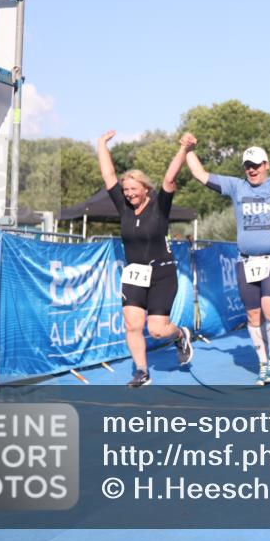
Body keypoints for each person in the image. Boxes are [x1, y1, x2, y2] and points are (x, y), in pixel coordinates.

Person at [181, 133, 270, 385]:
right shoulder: (237, 187)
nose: (252, 170)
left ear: (266, 165)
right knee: (253, 316)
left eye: (256, 165)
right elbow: (200, 175)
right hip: (247, 261)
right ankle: (262, 362)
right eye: (248, 166)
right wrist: (188, 149)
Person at [96, 130, 193, 388]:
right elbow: (108, 176)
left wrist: (183, 150)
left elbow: (170, 177)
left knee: (157, 330)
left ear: (145, 188)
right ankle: (142, 372)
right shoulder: (124, 207)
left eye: (133, 189)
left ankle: (180, 334)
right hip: (134, 274)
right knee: (132, 325)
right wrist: (101, 145)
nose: (128, 193)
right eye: (125, 190)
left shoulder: (159, 206)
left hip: (162, 274)